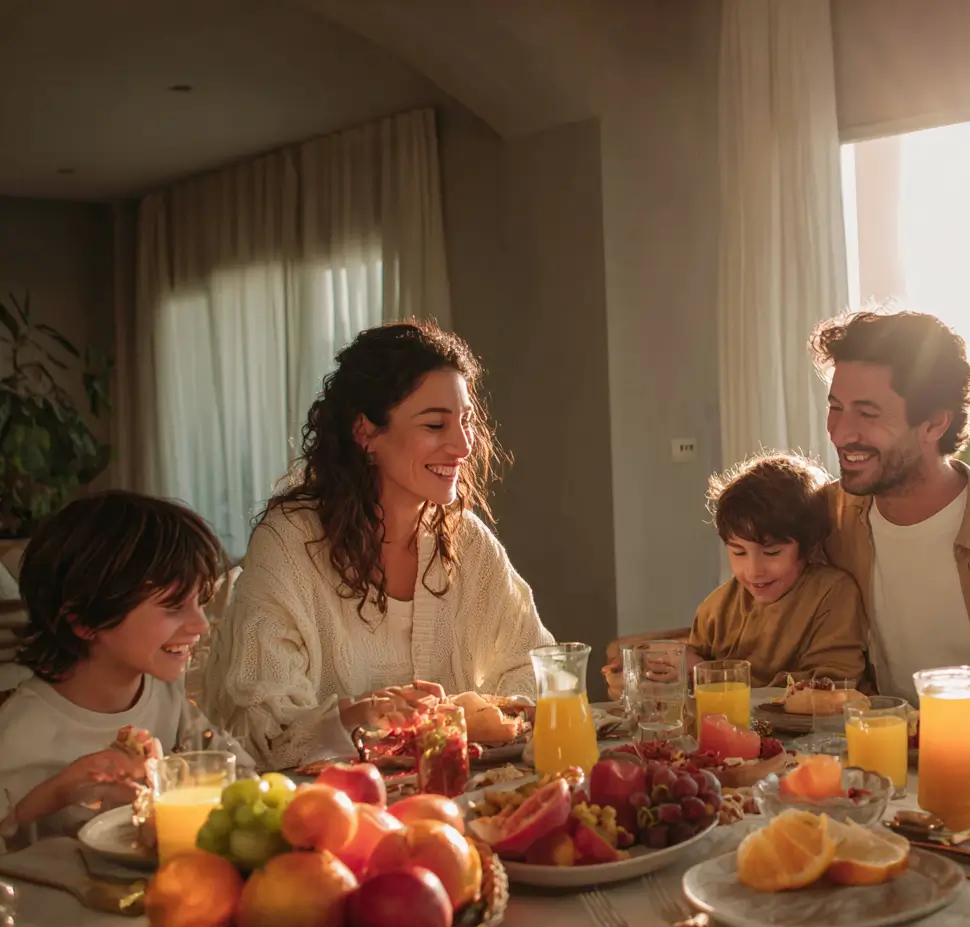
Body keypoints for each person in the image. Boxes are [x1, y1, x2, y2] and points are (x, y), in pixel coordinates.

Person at [203, 321, 553, 770]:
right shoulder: (289, 543)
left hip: (457, 802)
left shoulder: (466, 541)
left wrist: (476, 712)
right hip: (330, 815)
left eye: (466, 421)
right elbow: (262, 728)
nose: (463, 445)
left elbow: (539, 669)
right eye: (434, 424)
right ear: (365, 432)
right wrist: (355, 717)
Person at [0, 491, 253, 850]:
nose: (201, 625)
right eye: (174, 607)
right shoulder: (21, 734)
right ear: (86, 619)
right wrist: (54, 794)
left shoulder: (164, 696)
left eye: (201, 601)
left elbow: (238, 772)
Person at [812, 310, 970, 712]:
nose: (840, 432)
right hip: (874, 756)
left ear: (934, 424)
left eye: (868, 413)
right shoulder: (827, 517)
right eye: (836, 407)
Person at [603, 452, 866, 694]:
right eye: (738, 552)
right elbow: (692, 688)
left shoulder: (832, 593)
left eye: (772, 553)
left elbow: (832, 689)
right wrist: (649, 678)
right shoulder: (717, 608)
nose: (753, 571)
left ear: (808, 546)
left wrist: (704, 675)